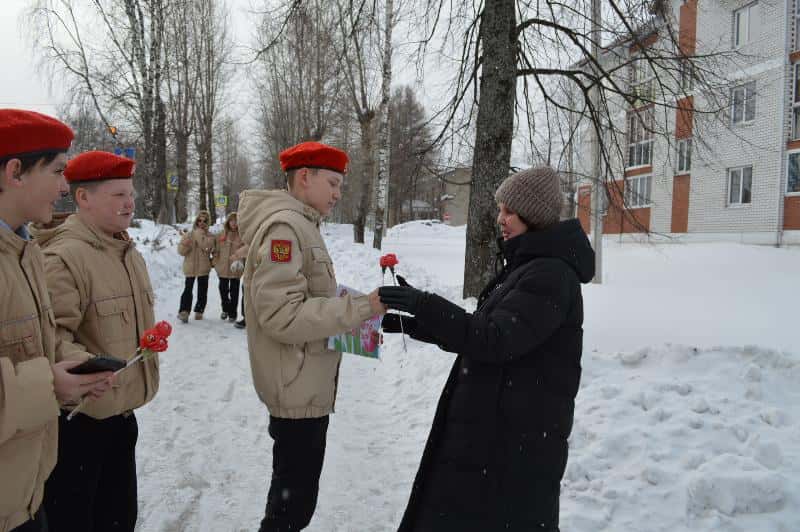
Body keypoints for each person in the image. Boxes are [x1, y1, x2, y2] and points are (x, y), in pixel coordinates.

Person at [380, 166, 595, 532]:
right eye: (501, 209)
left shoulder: (551, 275)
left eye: (509, 211)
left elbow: (495, 338)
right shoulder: (526, 268)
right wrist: (416, 324)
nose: (501, 219)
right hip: (494, 441)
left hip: (511, 451)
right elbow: (481, 335)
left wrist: (424, 304)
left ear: (534, 215)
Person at [237, 141, 386, 531]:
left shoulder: (301, 225)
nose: (338, 194)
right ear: (305, 177)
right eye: (333, 183)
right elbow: (282, 315)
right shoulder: (285, 230)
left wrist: (360, 320)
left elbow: (308, 299)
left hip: (304, 383)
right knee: (290, 511)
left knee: (293, 504)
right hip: (296, 386)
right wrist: (361, 308)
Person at [0, 110, 113, 532]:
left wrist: (77, 365)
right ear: (16, 172)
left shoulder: (23, 250)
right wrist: (48, 384)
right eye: (57, 171)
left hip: (24, 492)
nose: (66, 186)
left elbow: (33, 342)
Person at [38, 151, 160, 532]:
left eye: (131, 193)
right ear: (84, 198)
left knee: (119, 518)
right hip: (79, 425)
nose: (129, 202)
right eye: (117, 194)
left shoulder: (125, 251)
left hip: (120, 417)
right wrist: (89, 366)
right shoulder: (64, 257)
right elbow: (54, 336)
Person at [177, 210, 215, 322]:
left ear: (208, 222)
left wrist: (199, 234)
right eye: (199, 220)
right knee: (187, 289)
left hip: (203, 267)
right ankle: (184, 311)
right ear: (196, 221)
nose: (201, 223)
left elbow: (206, 247)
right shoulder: (189, 234)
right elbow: (181, 251)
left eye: (205, 221)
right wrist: (185, 245)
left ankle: (199, 310)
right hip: (190, 266)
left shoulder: (210, 236)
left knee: (202, 290)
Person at [212, 212, 246, 322]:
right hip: (222, 268)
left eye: (236, 221)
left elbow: (246, 252)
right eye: (232, 221)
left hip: (235, 268)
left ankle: (232, 313)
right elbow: (215, 251)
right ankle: (225, 309)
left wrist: (242, 263)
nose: (234, 223)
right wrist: (216, 263)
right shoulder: (221, 235)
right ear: (228, 222)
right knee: (223, 289)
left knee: (234, 291)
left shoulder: (243, 236)